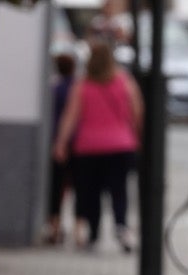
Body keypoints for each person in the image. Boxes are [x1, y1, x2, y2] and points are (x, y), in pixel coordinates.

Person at [53, 38, 143, 252]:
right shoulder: (124, 81)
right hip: (121, 145)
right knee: (119, 190)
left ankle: (93, 233)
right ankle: (121, 227)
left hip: (89, 147)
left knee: (91, 191)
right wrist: (138, 136)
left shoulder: (82, 84)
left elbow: (70, 116)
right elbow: (137, 110)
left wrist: (61, 143)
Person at [43, 51, 76, 245]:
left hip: (57, 141)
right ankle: (79, 228)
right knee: (77, 187)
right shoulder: (77, 87)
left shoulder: (55, 89)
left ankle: (54, 225)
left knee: (56, 187)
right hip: (79, 143)